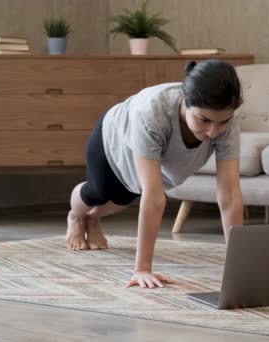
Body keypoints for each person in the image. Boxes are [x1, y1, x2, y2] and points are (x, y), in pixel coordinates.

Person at [66, 59, 244, 289]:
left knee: (125, 196)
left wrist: (238, 267)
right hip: (113, 138)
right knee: (98, 191)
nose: (213, 131)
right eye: (204, 120)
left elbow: (229, 195)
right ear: (185, 101)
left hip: (143, 151)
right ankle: (77, 216)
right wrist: (142, 269)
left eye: (222, 122)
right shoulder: (152, 111)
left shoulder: (227, 123)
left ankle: (93, 218)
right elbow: (154, 196)